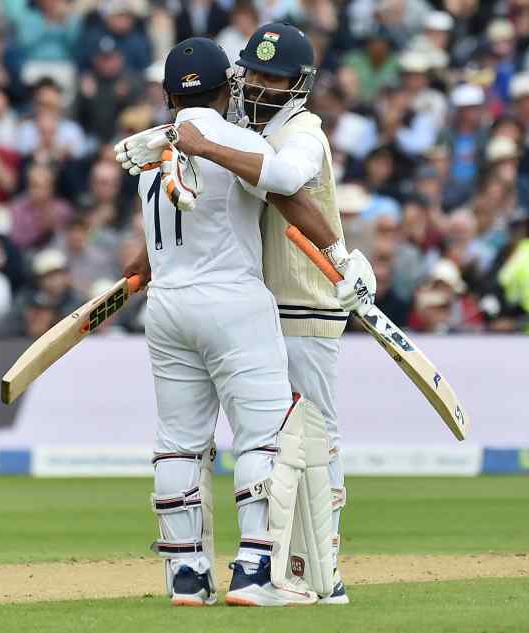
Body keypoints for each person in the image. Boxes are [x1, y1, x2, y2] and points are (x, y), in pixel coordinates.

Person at [115, 36, 374, 607]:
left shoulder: (149, 154)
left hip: (167, 308)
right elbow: (287, 192)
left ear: (168, 96)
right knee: (265, 437)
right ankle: (257, 572)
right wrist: (340, 256)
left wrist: (140, 269)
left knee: (179, 444)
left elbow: (164, 235)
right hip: (233, 302)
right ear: (226, 89)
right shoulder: (239, 141)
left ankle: (187, 575)